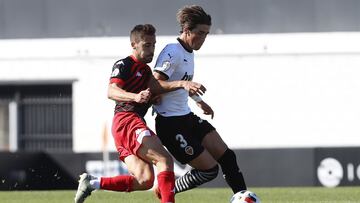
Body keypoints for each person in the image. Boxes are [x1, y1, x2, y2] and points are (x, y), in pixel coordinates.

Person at [74, 24, 206, 203]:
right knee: (164, 159)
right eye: (146, 45)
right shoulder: (124, 64)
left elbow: (157, 87)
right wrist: (135, 97)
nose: (151, 50)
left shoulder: (145, 70)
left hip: (126, 126)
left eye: (153, 45)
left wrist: (174, 89)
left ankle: (93, 183)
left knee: (144, 180)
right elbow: (111, 91)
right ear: (134, 45)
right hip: (126, 121)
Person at [152, 5, 248, 197]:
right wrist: (184, 85)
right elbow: (155, 83)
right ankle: (166, 190)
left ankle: (243, 199)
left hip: (186, 117)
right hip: (170, 124)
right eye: (200, 33)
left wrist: (198, 100)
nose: (203, 38)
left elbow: (182, 83)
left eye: (206, 34)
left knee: (228, 157)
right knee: (209, 171)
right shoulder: (172, 51)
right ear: (187, 30)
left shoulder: (188, 52)